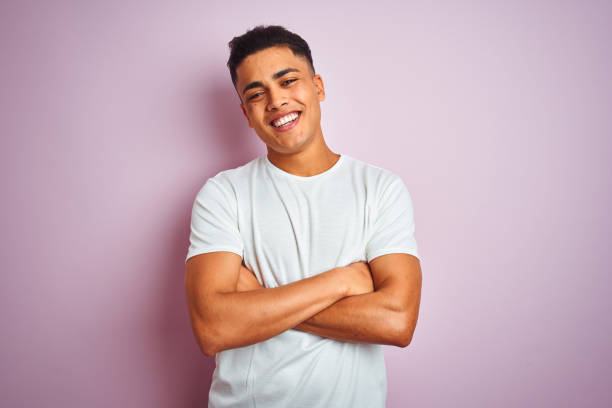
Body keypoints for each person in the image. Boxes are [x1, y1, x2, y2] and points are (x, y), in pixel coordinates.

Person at [184, 25, 422, 408]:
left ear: (318, 87)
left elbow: (396, 321)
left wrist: (258, 302)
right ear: (246, 113)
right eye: (257, 93)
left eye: (288, 81)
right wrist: (343, 280)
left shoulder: (380, 188)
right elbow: (213, 327)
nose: (276, 101)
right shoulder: (223, 194)